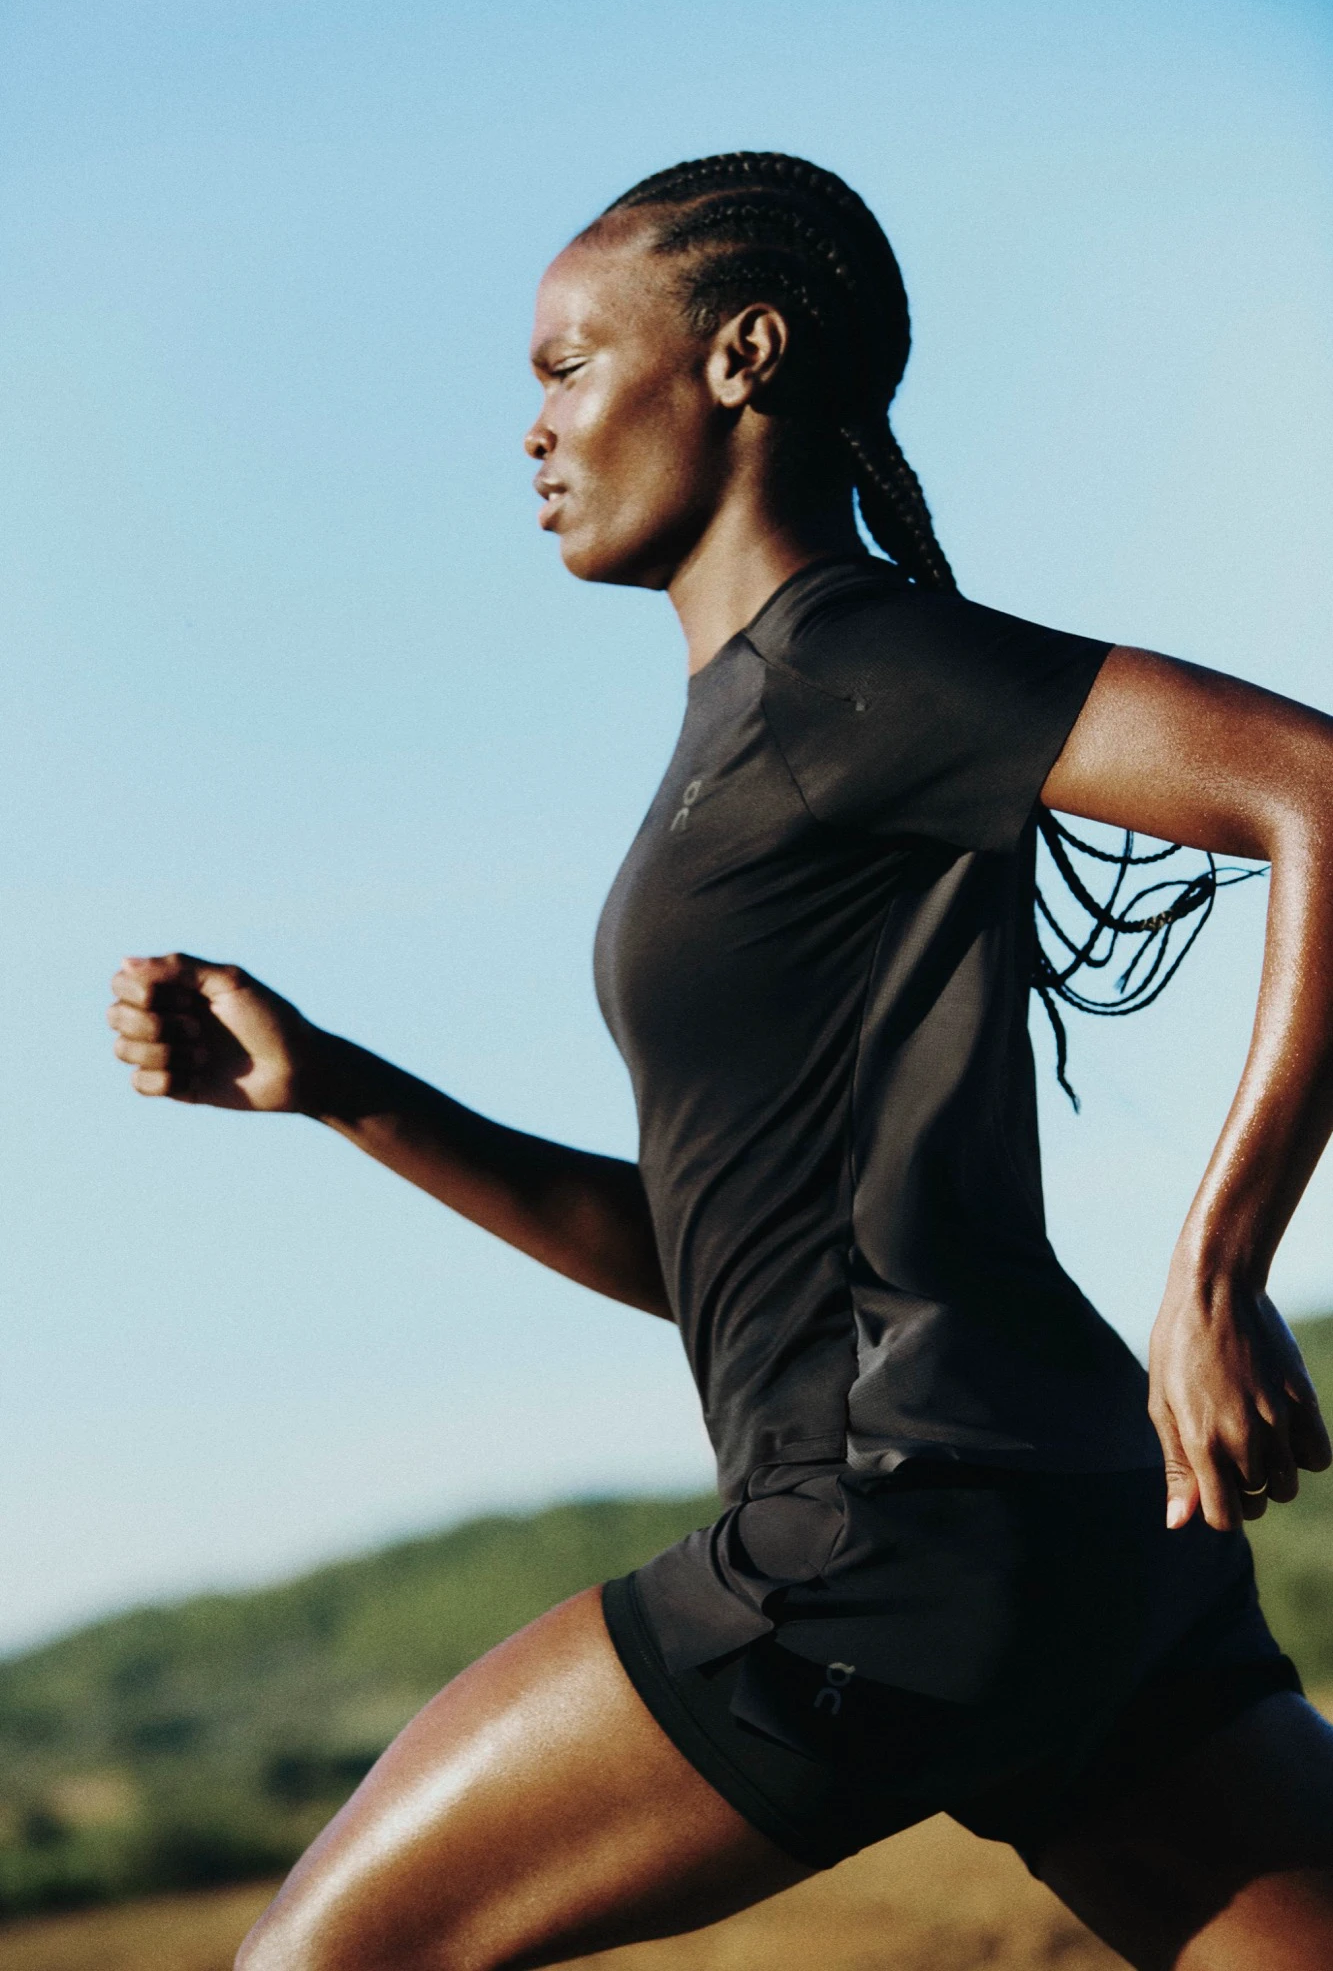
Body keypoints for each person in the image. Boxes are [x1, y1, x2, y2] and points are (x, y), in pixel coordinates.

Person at [107, 153, 1333, 1971]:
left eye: (565, 365)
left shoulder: (848, 669)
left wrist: (1217, 1265)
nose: (531, 430)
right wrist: (349, 1088)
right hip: (1085, 1544)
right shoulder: (776, 727)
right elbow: (713, 1261)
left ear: (743, 357)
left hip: (889, 1537)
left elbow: (1313, 786)